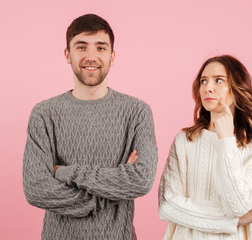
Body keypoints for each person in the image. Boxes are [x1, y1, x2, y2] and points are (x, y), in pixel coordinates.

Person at [23, 14, 158, 240]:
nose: (91, 56)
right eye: (81, 46)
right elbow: (36, 189)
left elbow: (142, 180)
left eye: (101, 48)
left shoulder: (137, 112)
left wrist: (64, 172)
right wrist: (112, 191)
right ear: (68, 54)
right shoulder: (44, 113)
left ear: (112, 56)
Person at [158, 55, 252, 239]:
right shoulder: (184, 140)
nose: (208, 88)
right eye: (203, 81)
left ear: (238, 89)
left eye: (218, 80)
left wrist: (226, 139)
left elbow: (238, 206)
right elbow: (167, 206)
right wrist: (233, 221)